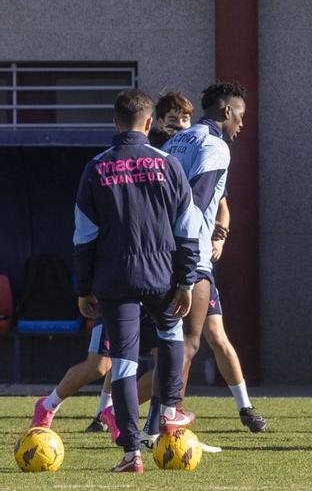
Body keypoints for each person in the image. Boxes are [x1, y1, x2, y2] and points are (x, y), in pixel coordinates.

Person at [73, 88, 200, 472]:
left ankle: (132, 454)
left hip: (115, 278)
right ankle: (171, 411)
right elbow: (187, 229)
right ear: (149, 123)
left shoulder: (96, 167)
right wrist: (187, 280)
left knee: (124, 363)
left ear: (115, 123)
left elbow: (84, 235)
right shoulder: (169, 164)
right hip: (163, 275)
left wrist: (84, 287)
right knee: (171, 334)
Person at [162, 82, 267, 432]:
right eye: (241, 115)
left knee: (190, 340)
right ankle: (157, 421)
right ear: (226, 112)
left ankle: (240, 409)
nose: (242, 123)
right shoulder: (216, 145)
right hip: (188, 256)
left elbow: (213, 202)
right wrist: (191, 258)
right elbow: (197, 200)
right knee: (186, 346)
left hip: (160, 250)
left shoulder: (176, 141)